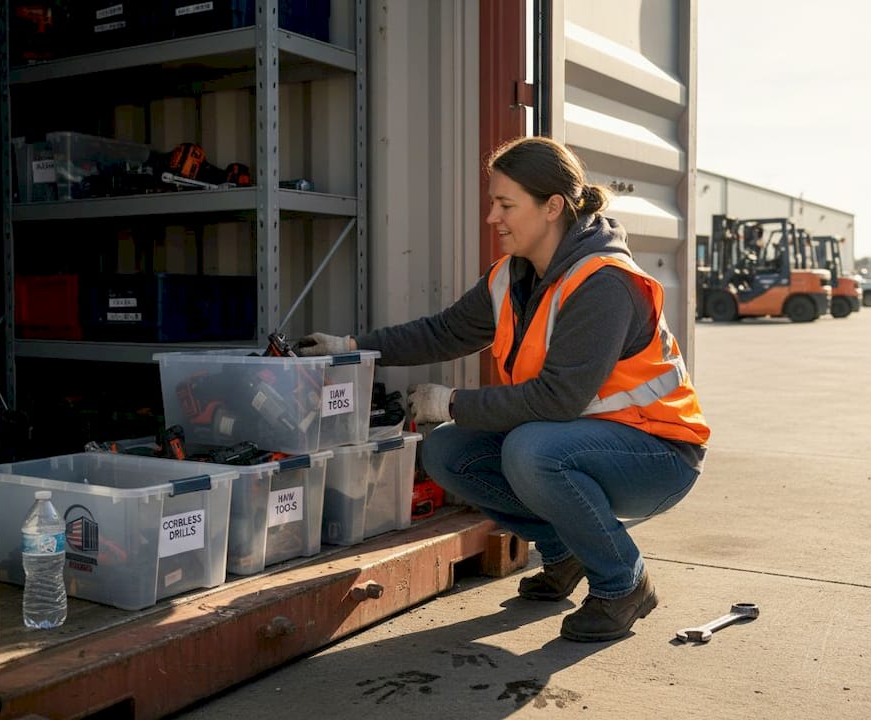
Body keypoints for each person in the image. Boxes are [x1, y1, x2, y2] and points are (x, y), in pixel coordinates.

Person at [296, 136, 709, 642]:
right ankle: (566, 553)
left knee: (530, 450)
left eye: (506, 204)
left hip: (659, 456)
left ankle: (624, 583)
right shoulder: (511, 278)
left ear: (552, 207)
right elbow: (443, 331)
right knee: (446, 448)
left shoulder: (603, 282)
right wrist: (351, 345)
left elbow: (556, 400)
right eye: (494, 203)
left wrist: (451, 401)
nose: (493, 217)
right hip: (585, 441)